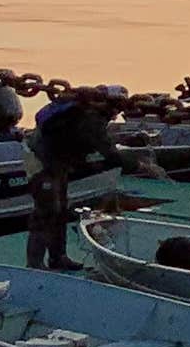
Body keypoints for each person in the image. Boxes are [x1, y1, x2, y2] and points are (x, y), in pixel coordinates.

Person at [24, 89, 120, 272]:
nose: (116, 116)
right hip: (41, 163)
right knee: (47, 211)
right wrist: (140, 165)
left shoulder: (80, 113)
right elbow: (109, 152)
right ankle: (34, 263)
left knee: (60, 211)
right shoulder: (91, 119)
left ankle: (58, 258)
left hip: (56, 163)